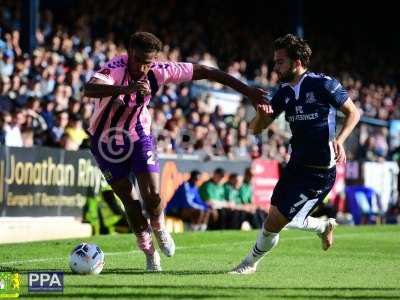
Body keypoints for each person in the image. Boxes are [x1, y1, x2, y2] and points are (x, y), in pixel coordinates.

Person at [83, 32, 267, 272]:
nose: (142, 66)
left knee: (152, 197)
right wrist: (126, 88)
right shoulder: (115, 68)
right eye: (138, 60)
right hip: (105, 140)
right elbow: (89, 88)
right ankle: (150, 254)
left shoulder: (160, 70)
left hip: (138, 135)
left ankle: (159, 227)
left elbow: (207, 72)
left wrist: (249, 91)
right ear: (129, 53)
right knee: (129, 200)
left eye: (148, 62)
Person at [230, 34, 360, 274]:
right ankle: (322, 227)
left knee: (278, 222)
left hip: (319, 173)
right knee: (274, 220)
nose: (275, 67)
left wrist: (340, 140)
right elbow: (256, 129)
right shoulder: (283, 93)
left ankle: (249, 264)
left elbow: (354, 113)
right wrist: (260, 113)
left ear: (297, 61)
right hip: (295, 166)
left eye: (280, 62)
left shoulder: (323, 84)